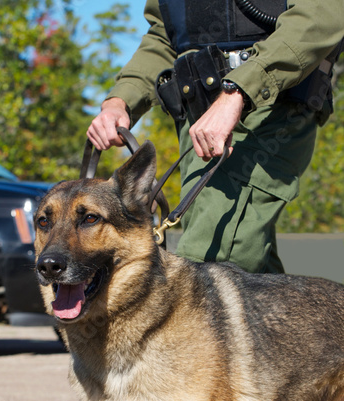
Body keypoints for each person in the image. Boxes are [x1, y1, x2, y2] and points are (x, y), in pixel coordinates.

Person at [86, 0, 344, 274]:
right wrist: (122, 99)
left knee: (210, 272)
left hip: (266, 109)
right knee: (251, 279)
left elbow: (322, 15)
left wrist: (240, 91)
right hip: (196, 119)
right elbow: (165, 35)